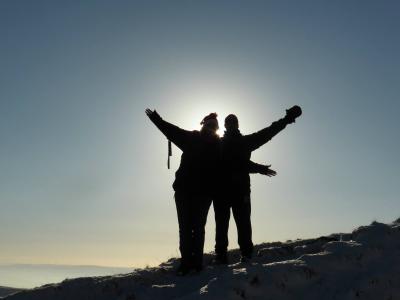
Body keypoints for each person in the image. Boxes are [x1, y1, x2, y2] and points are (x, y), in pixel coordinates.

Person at [214, 106, 302, 264]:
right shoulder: (220, 144)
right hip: (225, 191)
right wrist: (258, 168)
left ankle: (243, 255)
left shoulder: (239, 142)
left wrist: (287, 120)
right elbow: (235, 163)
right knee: (225, 225)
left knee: (240, 224)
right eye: (230, 123)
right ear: (226, 126)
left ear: (236, 125)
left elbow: (268, 132)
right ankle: (224, 256)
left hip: (237, 191)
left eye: (233, 122)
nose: (232, 125)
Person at [145, 109, 220, 275]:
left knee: (194, 229)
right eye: (209, 125)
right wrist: (158, 120)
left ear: (215, 129)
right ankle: (189, 263)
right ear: (204, 125)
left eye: (213, 126)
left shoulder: (215, 145)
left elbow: (236, 161)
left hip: (199, 193)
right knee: (189, 229)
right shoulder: (194, 139)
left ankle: (193, 263)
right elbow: (172, 131)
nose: (210, 128)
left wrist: (257, 168)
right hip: (187, 193)